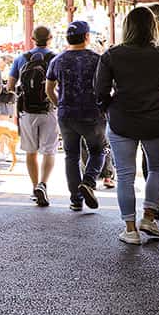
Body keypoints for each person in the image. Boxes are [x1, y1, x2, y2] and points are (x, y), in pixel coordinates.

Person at [93, 6, 159, 245]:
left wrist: (109, 109)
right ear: (152, 28)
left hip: (121, 120)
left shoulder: (112, 55)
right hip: (155, 120)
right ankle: (149, 217)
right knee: (157, 168)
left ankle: (130, 229)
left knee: (124, 175)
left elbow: (100, 91)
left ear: (127, 27)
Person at [45, 20, 106, 212]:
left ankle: (76, 200)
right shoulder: (97, 59)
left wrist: (59, 104)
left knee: (71, 156)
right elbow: (106, 87)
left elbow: (49, 89)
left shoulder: (57, 60)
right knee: (98, 151)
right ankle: (88, 181)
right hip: (92, 114)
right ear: (87, 37)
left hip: (66, 114)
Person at [8, 25, 57, 207]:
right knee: (49, 151)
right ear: (50, 38)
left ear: (32, 38)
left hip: (27, 111)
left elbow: (10, 86)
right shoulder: (55, 58)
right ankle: (43, 184)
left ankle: (34, 188)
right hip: (49, 109)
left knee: (31, 152)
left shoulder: (21, 58)